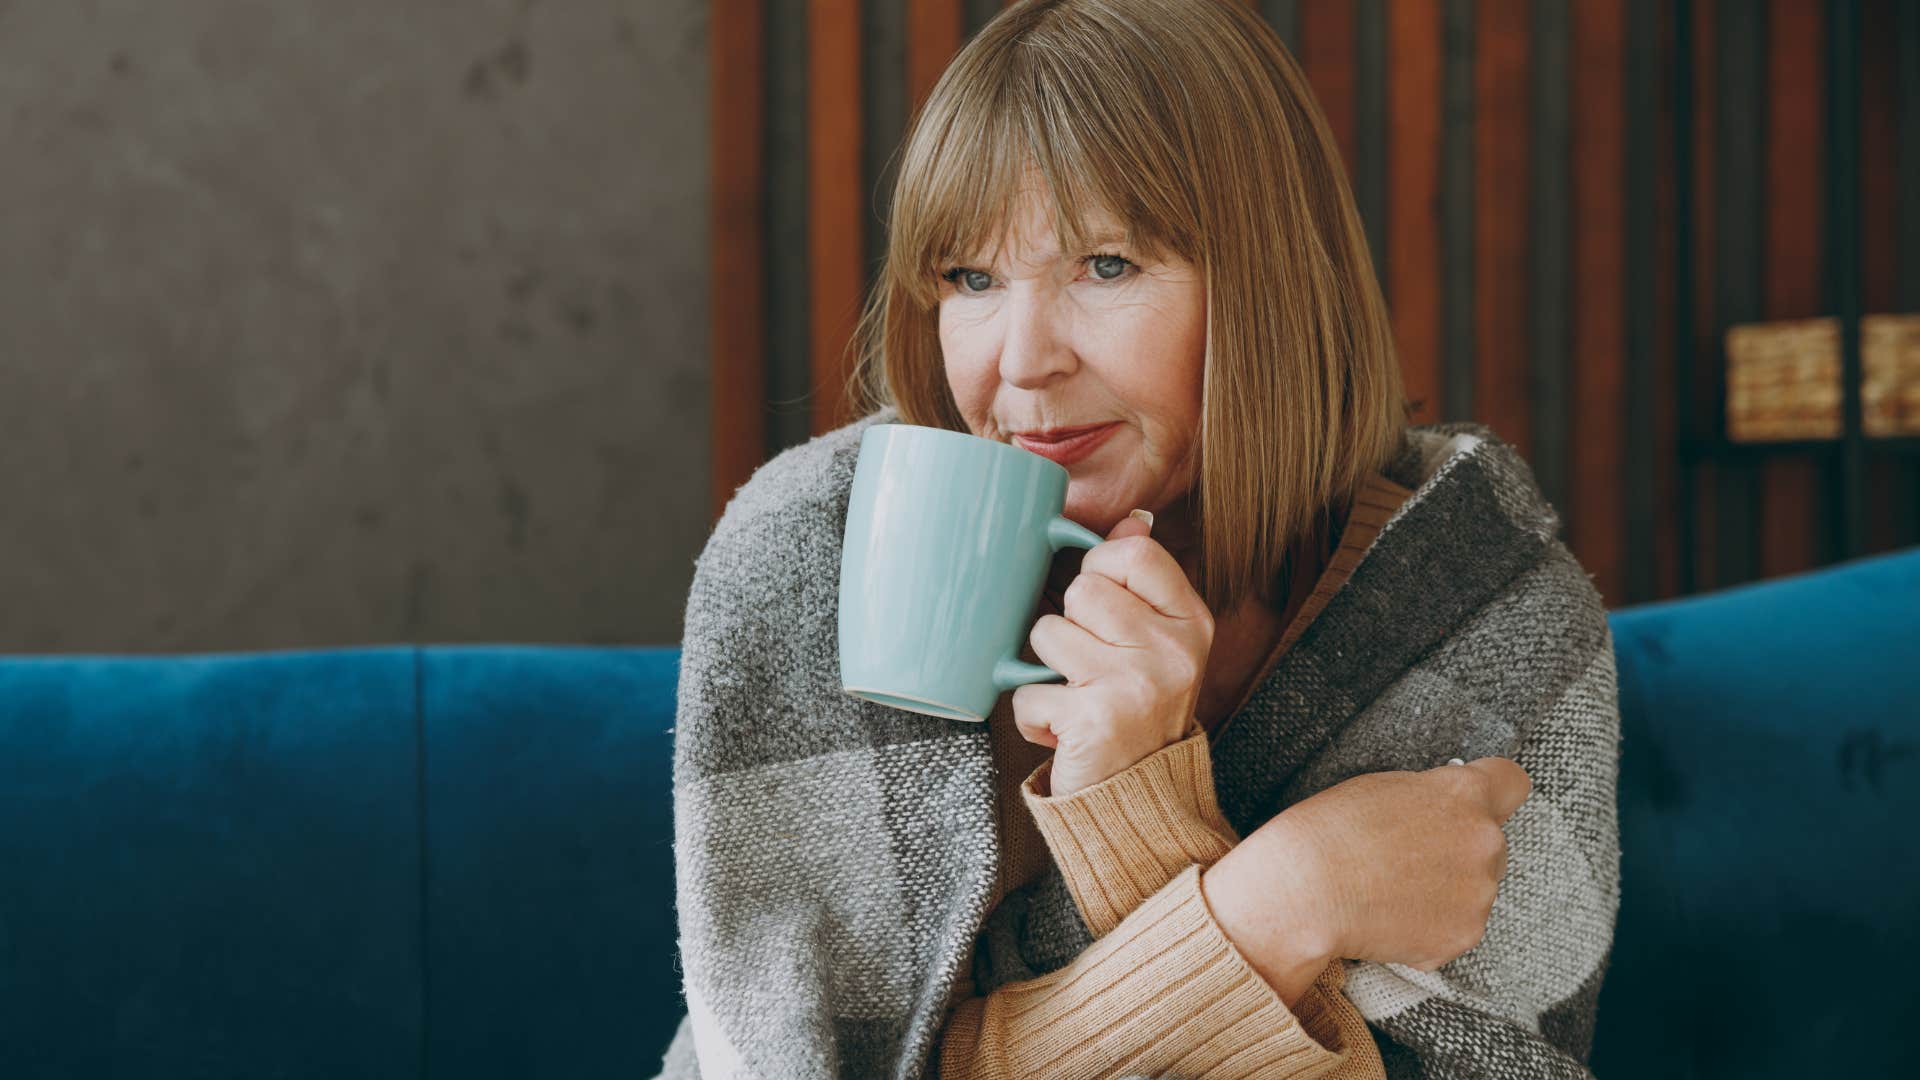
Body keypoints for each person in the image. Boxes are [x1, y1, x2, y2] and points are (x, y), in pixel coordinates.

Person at [658, 1, 1620, 1077]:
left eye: (1105, 265)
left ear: (1269, 282)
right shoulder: (810, 554)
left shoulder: (1487, 608)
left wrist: (1138, 815)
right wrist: (1281, 901)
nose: (1022, 363)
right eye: (971, 280)